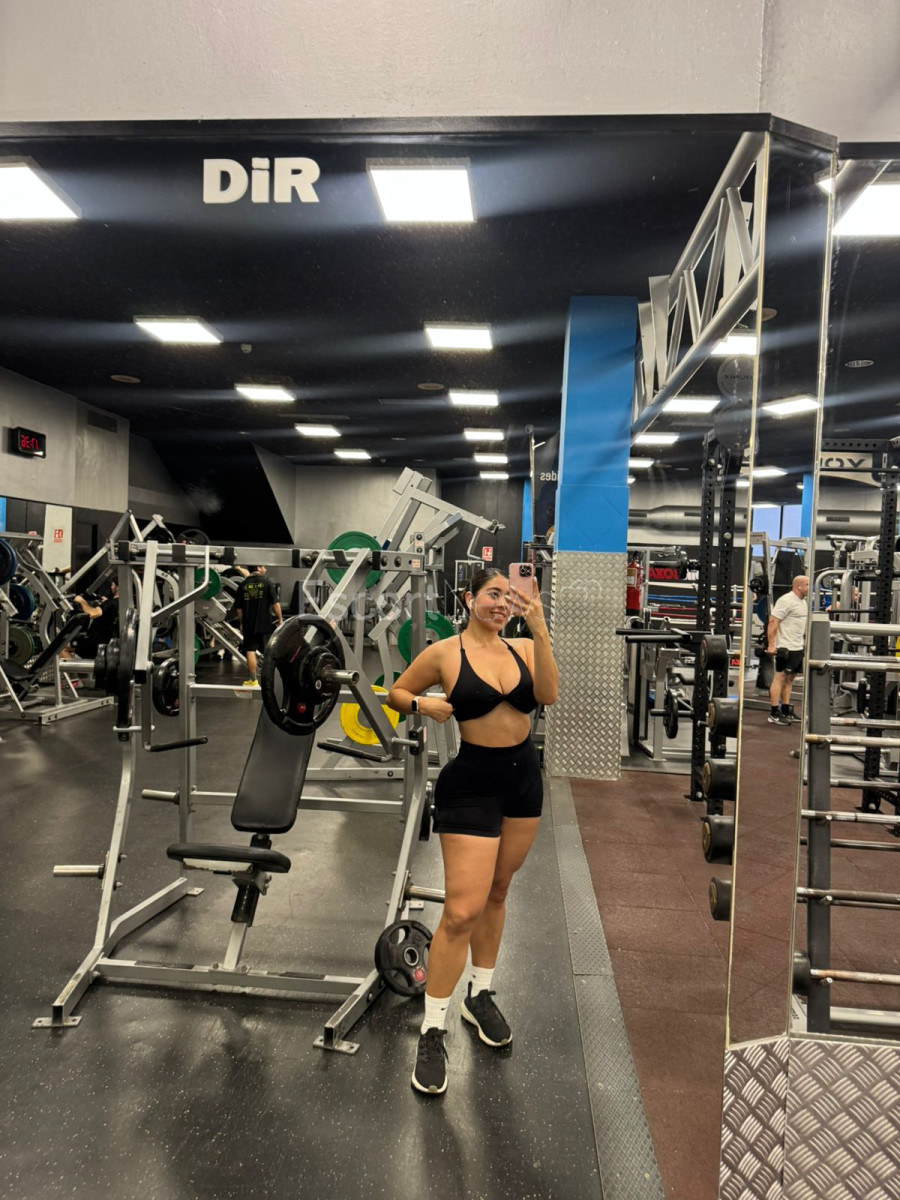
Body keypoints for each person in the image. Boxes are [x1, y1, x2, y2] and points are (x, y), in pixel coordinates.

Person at [387, 567, 559, 1096]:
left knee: (499, 891)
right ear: (469, 598)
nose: (501, 604)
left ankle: (478, 995)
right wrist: (422, 704)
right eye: (492, 595)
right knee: (462, 910)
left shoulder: (524, 648)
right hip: (470, 785)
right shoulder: (445, 652)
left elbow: (549, 695)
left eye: (508, 597)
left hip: (524, 783)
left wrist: (540, 628)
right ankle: (432, 1029)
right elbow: (396, 692)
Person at [767, 574, 809, 725]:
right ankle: (774, 712)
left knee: (790, 678)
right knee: (780, 677)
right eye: (807, 584)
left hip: (797, 646)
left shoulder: (803, 602)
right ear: (799, 586)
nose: (809, 587)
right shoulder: (786, 600)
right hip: (785, 646)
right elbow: (773, 621)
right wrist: (771, 645)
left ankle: (785, 709)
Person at [235, 565, 282, 688]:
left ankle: (253, 681)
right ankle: (270, 681)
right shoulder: (267, 582)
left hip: (248, 624)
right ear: (258, 567)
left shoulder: (243, 585)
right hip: (264, 623)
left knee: (250, 651)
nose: (265, 569)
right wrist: (280, 619)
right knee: (268, 652)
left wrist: (241, 623)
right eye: (263, 567)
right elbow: (275, 604)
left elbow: (239, 609)